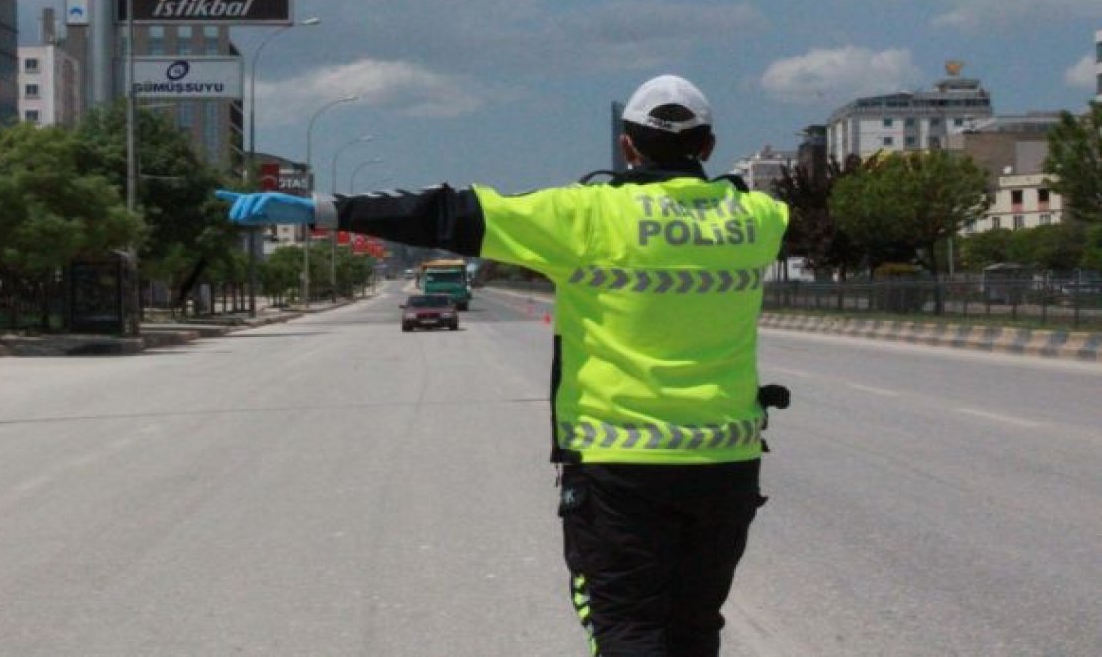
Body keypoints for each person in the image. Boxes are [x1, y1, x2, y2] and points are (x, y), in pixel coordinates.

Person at [218, 74, 790, 657]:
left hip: (620, 466)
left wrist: (326, 209)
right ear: (709, 146)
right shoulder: (758, 221)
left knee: (626, 629)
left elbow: (448, 212)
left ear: (626, 146)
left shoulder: (587, 215)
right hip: (726, 465)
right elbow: (764, 208)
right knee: (694, 629)